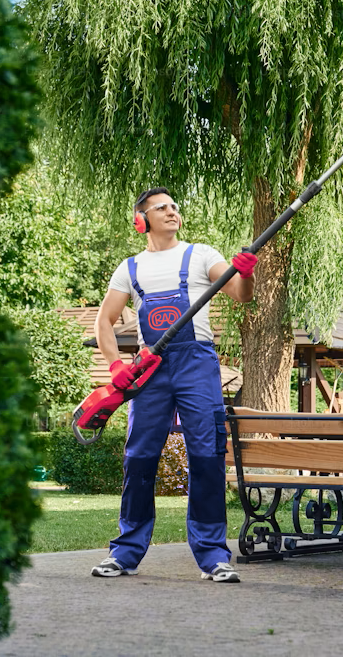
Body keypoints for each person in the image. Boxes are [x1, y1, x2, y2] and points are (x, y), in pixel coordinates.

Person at [90, 187, 256, 583]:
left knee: (206, 456)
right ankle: (125, 552)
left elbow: (240, 295)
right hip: (150, 371)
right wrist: (116, 368)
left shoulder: (201, 255)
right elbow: (103, 322)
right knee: (139, 458)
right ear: (140, 220)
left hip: (196, 363)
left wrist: (246, 274)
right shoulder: (129, 268)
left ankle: (213, 555)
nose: (171, 212)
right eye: (160, 207)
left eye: (174, 207)